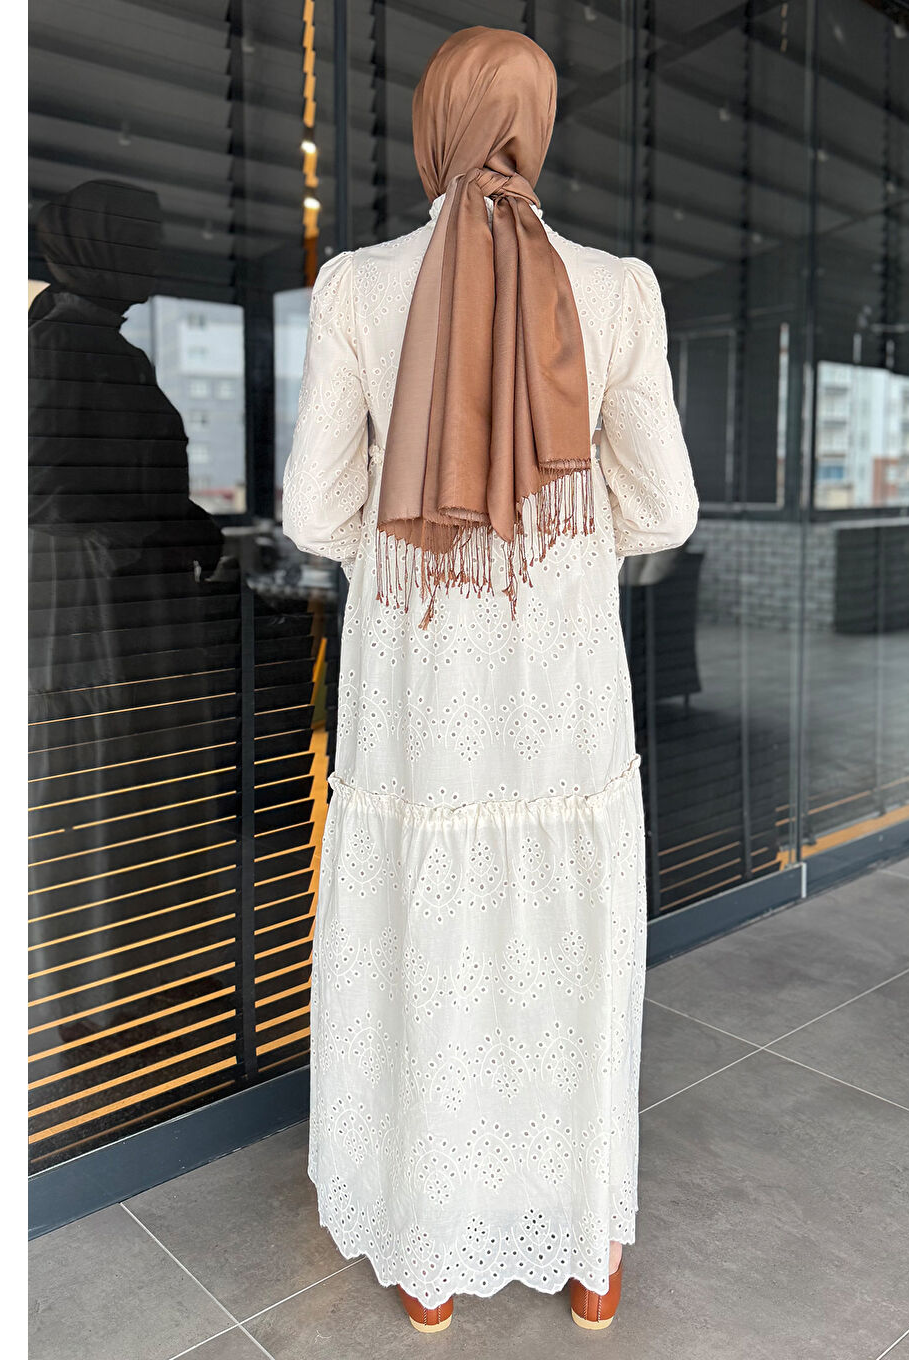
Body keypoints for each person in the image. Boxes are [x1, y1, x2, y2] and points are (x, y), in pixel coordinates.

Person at [281, 25, 699, 1333]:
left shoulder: (358, 286)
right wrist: (552, 529)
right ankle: (588, 1253)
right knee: (568, 955)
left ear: (432, 128)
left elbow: (313, 513)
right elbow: (666, 510)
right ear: (542, 125)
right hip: (561, 691)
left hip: (420, 696)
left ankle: (431, 1263)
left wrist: (421, 515)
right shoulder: (618, 290)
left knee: (429, 952)